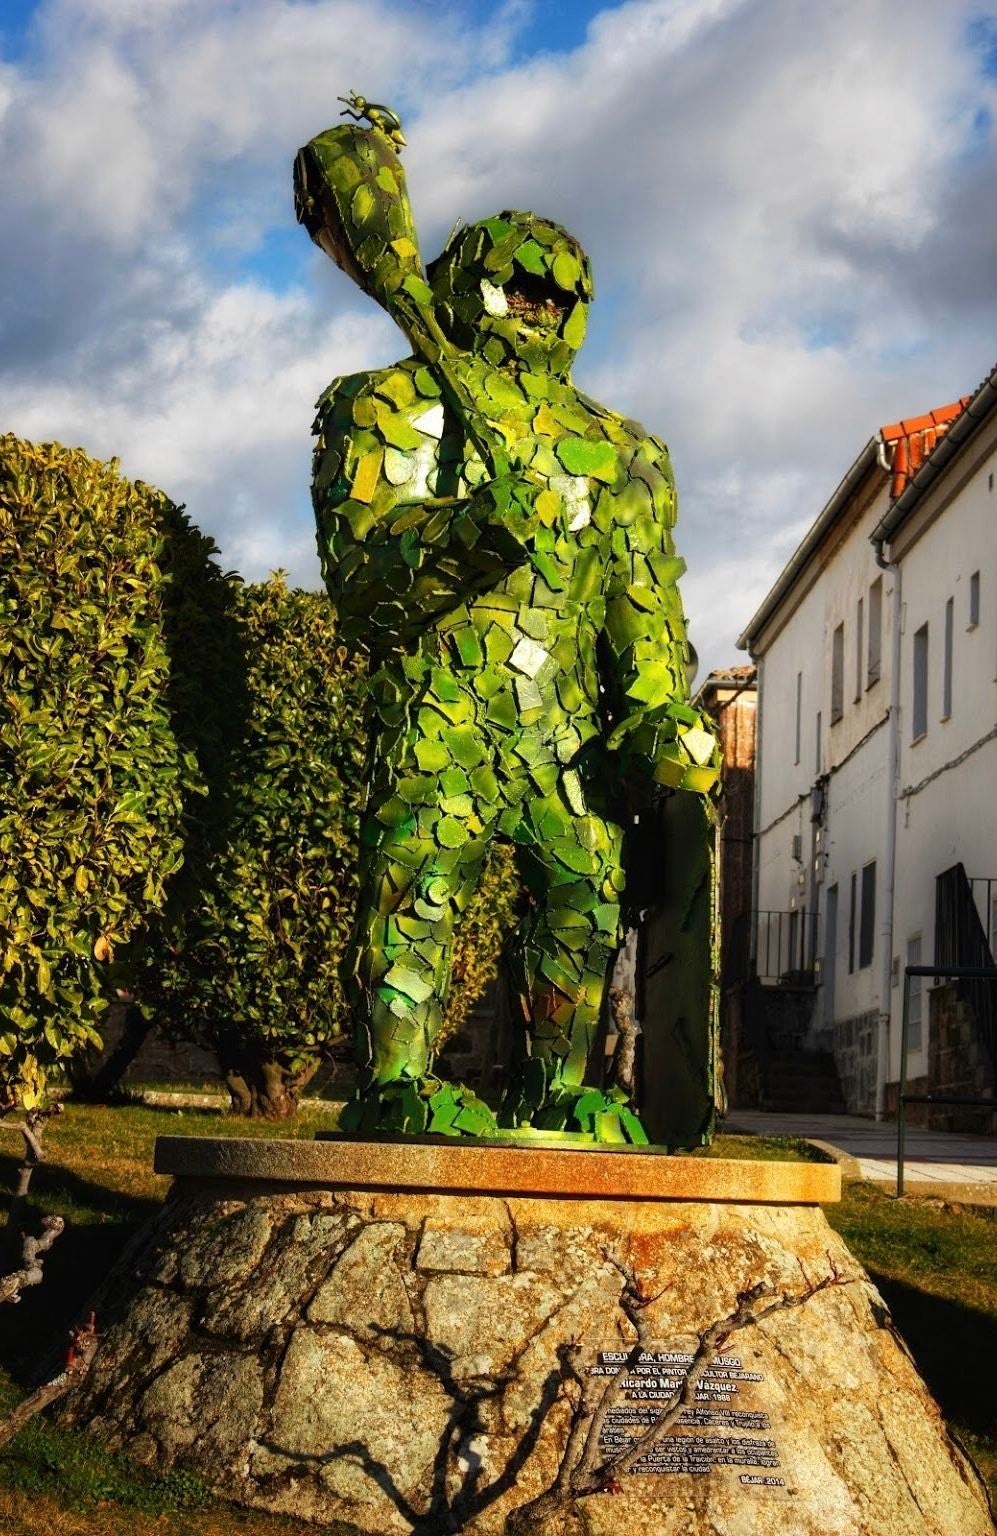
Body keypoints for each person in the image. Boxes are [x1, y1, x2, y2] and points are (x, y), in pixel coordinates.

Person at [298, 109, 719, 1142]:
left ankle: (559, 1087)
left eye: (555, 290)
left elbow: (642, 598)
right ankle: (396, 1079)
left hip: (566, 730)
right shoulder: (388, 402)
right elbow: (361, 581)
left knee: (583, 892)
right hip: (440, 704)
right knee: (420, 878)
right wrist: (474, 533)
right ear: (462, 279)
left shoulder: (623, 452)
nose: (537, 297)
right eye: (517, 280)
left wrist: (661, 717)